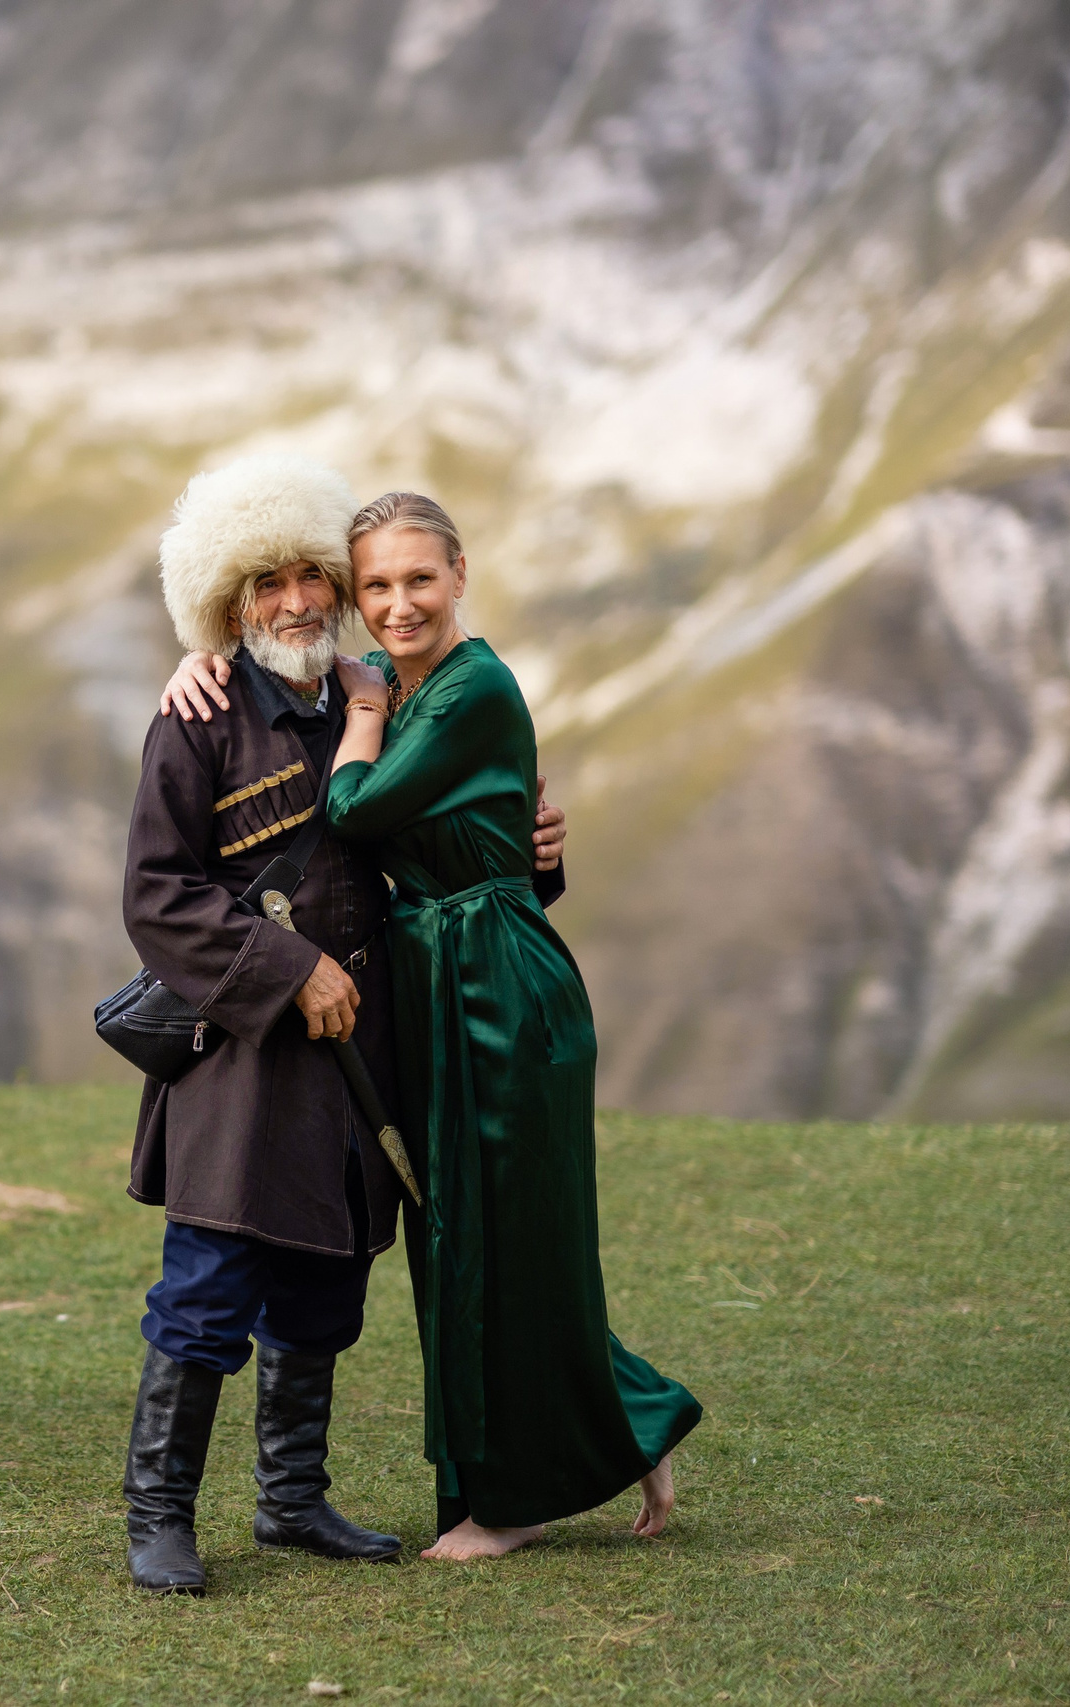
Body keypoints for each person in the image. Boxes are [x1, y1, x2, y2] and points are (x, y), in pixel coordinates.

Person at [117, 455, 564, 1596]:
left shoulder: (385, 704)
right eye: (266, 582)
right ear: (228, 599)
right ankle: (158, 1515)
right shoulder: (199, 715)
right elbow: (158, 896)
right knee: (209, 1290)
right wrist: (288, 967)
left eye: (315, 575)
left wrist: (536, 857)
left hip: (363, 1059)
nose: (297, 601)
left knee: (324, 1287)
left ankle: (291, 1500)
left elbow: (447, 853)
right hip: (240, 1061)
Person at [321, 491, 700, 1560]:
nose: (398, 604)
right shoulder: (415, 687)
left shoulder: (463, 688)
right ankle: (628, 1423)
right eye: (376, 587)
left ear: (459, 574)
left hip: (493, 985)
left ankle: (510, 1504)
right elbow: (484, 829)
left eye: (417, 579)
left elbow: (353, 813)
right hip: (444, 977)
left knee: (494, 1236)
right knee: (471, 1239)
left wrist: (357, 719)